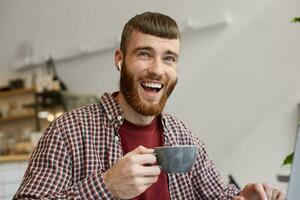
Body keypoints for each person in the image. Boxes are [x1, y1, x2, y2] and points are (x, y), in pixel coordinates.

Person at [14, 12, 285, 200]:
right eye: (145, 54)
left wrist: (242, 197)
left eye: (169, 58)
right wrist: (107, 187)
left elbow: (215, 194)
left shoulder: (183, 136)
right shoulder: (68, 131)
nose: (157, 69)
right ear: (120, 59)